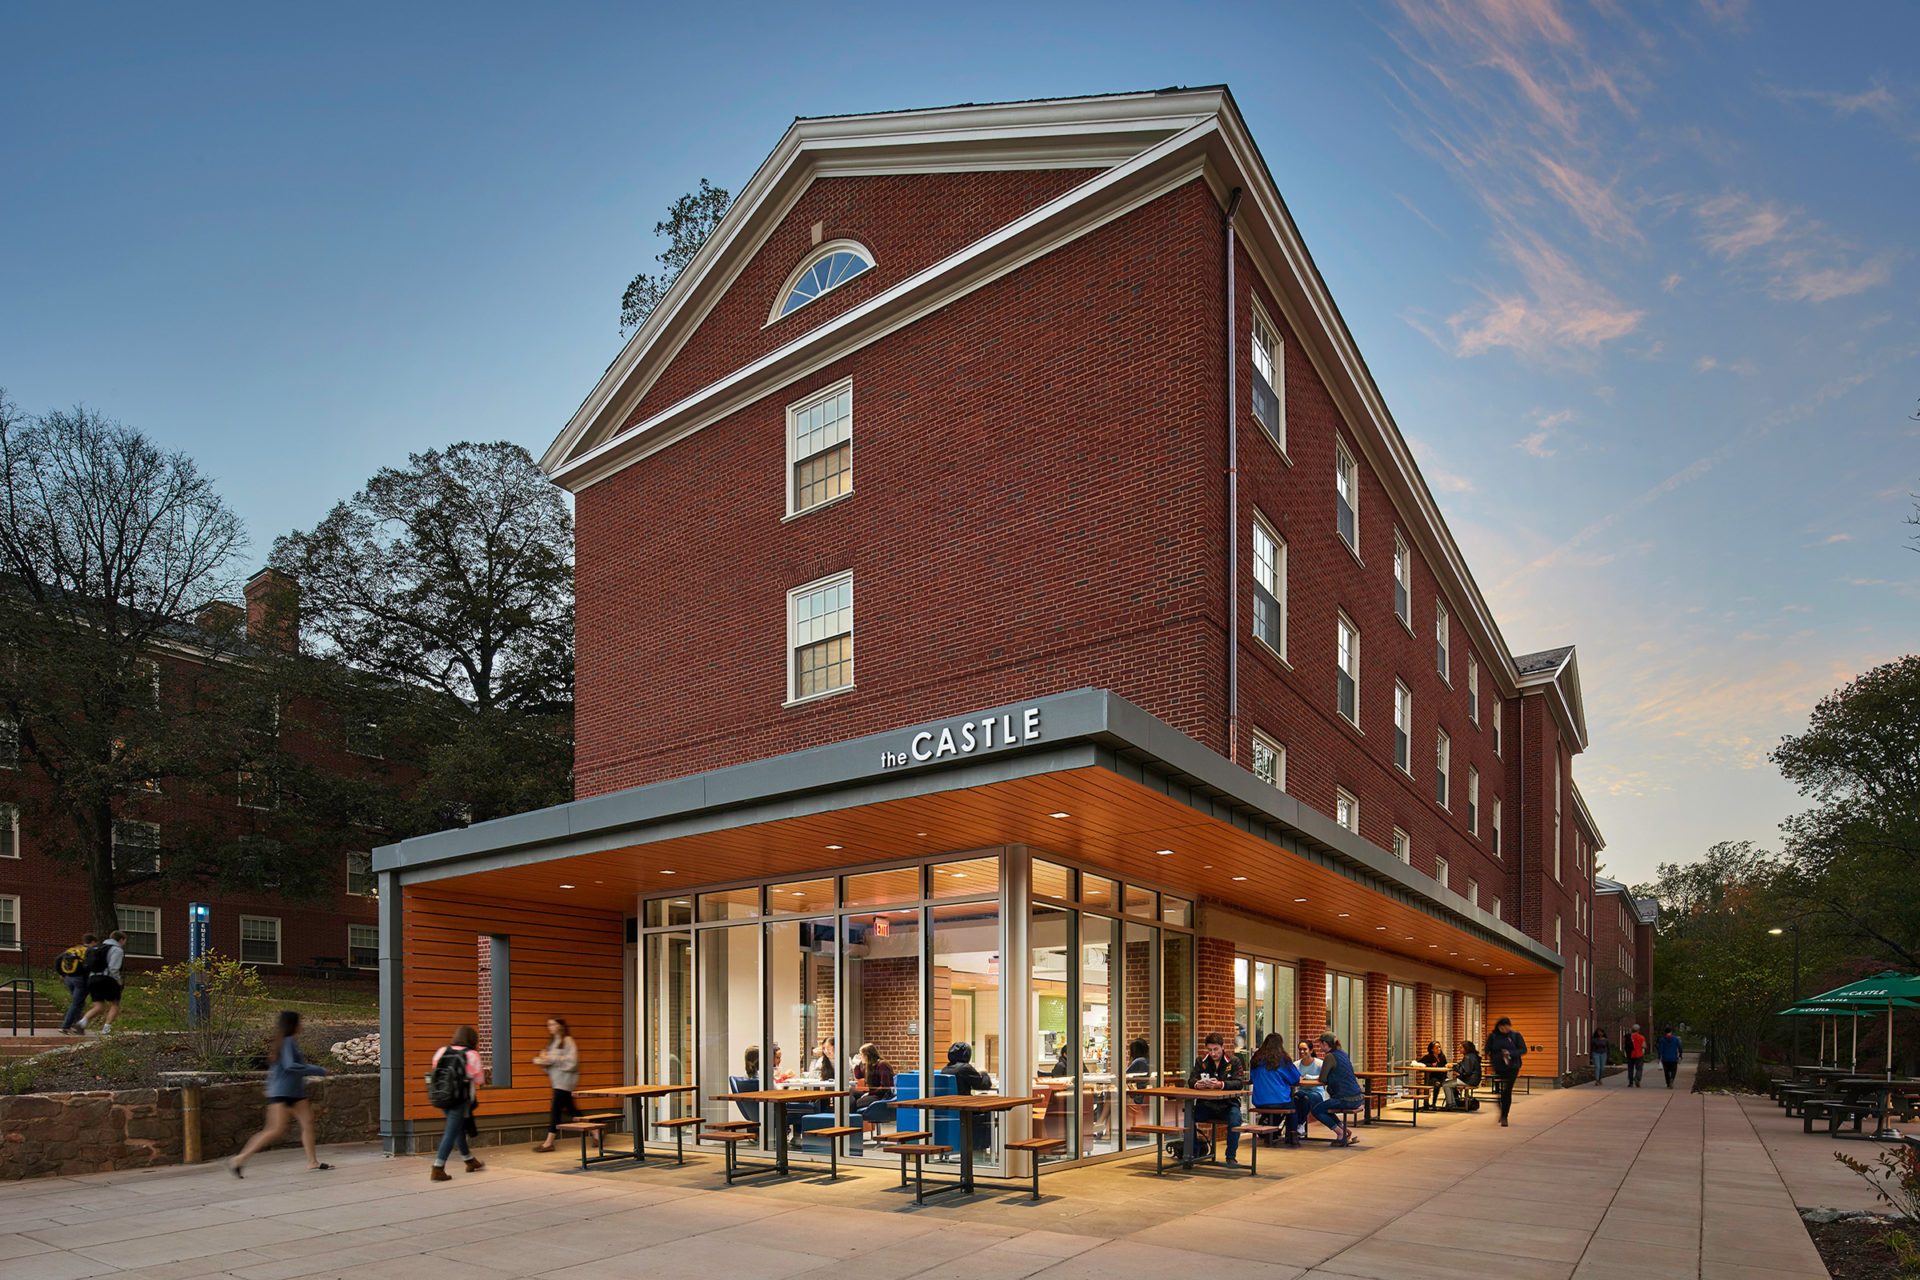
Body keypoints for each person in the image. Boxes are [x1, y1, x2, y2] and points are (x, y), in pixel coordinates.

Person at [228, 1011, 331, 1176]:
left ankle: (312, 1162)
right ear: (293, 1024)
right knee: (274, 1129)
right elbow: (290, 1066)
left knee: (308, 1122)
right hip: (283, 1093)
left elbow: (276, 1069)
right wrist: (319, 1070)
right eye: (299, 1022)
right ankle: (239, 1159)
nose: (302, 1025)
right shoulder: (288, 1041)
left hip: (294, 1092)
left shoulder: (284, 1042)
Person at [428, 1025, 487, 1181]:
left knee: (458, 1127)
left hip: (440, 1097)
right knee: (451, 1131)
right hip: (459, 1099)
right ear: (473, 1039)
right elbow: (480, 1080)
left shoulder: (442, 1051)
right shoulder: (472, 1055)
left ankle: (469, 1161)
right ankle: (438, 1167)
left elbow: (435, 1070)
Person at [1188, 1031, 1248, 1165]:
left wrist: (1221, 1084)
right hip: (1206, 1104)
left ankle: (1231, 1156)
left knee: (1235, 1119)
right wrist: (1198, 1084)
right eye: (1209, 1050)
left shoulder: (1234, 1061)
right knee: (1188, 1117)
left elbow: (1239, 1083)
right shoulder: (1201, 1061)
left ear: (1223, 1047)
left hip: (1228, 1104)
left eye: (1216, 1049)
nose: (1213, 1053)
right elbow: (1191, 1079)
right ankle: (1194, 1152)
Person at [531, 1016, 580, 1153]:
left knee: (555, 1111)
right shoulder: (552, 1043)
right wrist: (543, 1061)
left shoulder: (568, 1041)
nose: (550, 1027)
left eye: (552, 1024)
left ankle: (548, 1143)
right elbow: (549, 1061)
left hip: (565, 1082)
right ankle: (596, 1131)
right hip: (557, 1081)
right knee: (572, 1111)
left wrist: (552, 1058)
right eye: (548, 1025)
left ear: (560, 1026)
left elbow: (573, 1062)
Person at [1308, 1033, 1365, 1147]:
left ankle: (1340, 1134)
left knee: (1317, 1110)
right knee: (1325, 1107)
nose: (1319, 1046)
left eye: (1320, 1043)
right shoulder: (1342, 1054)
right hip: (1357, 1097)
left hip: (1345, 1098)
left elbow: (1323, 1079)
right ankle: (1345, 1131)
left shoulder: (1330, 1056)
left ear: (1325, 1044)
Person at [1248, 1034, 1300, 1146]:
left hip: (1260, 1102)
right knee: (1293, 1107)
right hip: (1280, 1101)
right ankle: (1292, 1135)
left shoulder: (1256, 1060)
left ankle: (1271, 1132)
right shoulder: (1283, 1060)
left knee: (1275, 1107)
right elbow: (1295, 1078)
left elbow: (1252, 1079)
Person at [75, 930, 126, 1035]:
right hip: (107, 979)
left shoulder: (96, 948)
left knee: (99, 1006)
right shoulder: (117, 949)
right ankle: (106, 1029)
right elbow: (113, 967)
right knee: (114, 1004)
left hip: (92, 978)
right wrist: (118, 980)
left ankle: (82, 1022)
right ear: (121, 940)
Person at [1484, 1017, 1526, 1127]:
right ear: (1499, 1026)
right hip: (1499, 1067)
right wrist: (1494, 1056)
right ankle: (1502, 1111)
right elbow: (1487, 1049)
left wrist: (1510, 1053)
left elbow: (1523, 1050)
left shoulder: (1515, 1036)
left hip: (1512, 1067)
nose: (1506, 1029)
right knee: (1499, 1091)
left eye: (1508, 1027)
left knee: (1507, 1091)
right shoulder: (1493, 1036)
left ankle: (1504, 1116)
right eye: (1503, 1027)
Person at [853, 1042, 896, 1136]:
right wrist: (857, 1064)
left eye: (861, 1054)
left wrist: (869, 1093)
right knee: (850, 1093)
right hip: (873, 1093)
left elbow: (885, 1087)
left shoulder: (882, 1065)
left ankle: (852, 1129)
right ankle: (850, 1124)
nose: (860, 1056)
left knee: (856, 1103)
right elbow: (858, 1075)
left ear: (868, 1055)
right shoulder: (869, 1065)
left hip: (880, 1096)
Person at [57, 933, 96, 1034]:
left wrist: (62, 973)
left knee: (79, 1002)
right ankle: (65, 1026)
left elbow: (58, 959)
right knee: (76, 1003)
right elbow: (91, 965)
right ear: (92, 942)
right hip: (80, 979)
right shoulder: (89, 950)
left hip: (69, 978)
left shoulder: (74, 949)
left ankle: (78, 1026)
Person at [1293, 1039, 1325, 1140]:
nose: (1302, 1052)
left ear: (1311, 1051)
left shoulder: (1319, 1064)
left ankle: (1300, 1123)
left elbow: (1324, 1078)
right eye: (1300, 1049)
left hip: (1317, 1093)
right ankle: (1294, 1127)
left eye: (1305, 1049)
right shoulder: (1296, 1065)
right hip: (1301, 1092)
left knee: (1305, 1098)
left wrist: (1308, 1077)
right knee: (1297, 1097)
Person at [1444, 1040, 1482, 1110]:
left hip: (1469, 1080)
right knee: (1450, 1083)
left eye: (1461, 1048)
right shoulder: (1473, 1056)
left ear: (1467, 1048)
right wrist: (1454, 1066)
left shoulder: (1468, 1057)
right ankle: (1453, 1103)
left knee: (1446, 1084)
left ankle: (1451, 1105)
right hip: (1475, 1079)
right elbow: (1462, 1065)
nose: (1459, 1049)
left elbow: (1466, 1071)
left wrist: (1453, 1067)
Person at [1418, 1040, 1448, 1108]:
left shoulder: (1442, 1057)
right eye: (1437, 1047)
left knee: (1450, 1083)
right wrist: (1431, 1065)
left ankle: (1450, 1103)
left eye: (1439, 1047)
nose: (1439, 1049)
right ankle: (1433, 1103)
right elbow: (1419, 1063)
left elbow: (1445, 1064)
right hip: (1432, 1077)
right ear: (1432, 1049)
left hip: (1442, 1077)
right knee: (1437, 1084)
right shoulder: (1428, 1057)